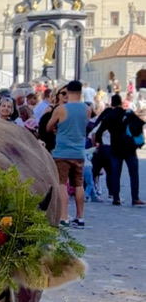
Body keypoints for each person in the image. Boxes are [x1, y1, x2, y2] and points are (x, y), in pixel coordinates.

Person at [48, 79, 88, 227]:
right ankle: (80, 216)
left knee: (62, 184)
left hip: (62, 151)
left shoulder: (61, 109)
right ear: (80, 92)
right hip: (79, 152)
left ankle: (63, 216)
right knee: (79, 185)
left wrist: (57, 128)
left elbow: (48, 126)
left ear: (68, 92)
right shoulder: (86, 109)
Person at [99, 94, 144, 206]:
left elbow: (99, 132)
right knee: (134, 173)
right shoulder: (127, 113)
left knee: (115, 174)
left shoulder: (109, 116)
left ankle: (116, 198)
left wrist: (101, 144)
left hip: (115, 148)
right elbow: (140, 124)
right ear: (121, 102)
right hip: (129, 147)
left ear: (111, 103)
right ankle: (135, 197)